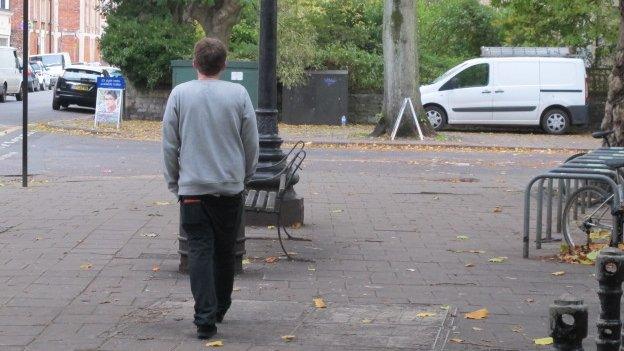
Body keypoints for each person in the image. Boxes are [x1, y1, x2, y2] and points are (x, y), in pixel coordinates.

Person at [162, 37, 259, 340]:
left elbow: (169, 143)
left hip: (192, 188)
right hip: (229, 188)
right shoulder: (239, 94)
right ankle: (221, 305)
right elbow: (251, 142)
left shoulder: (180, 95)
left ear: (195, 63)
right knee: (225, 249)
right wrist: (245, 175)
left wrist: (174, 181)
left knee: (200, 250)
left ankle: (205, 317)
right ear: (224, 64)